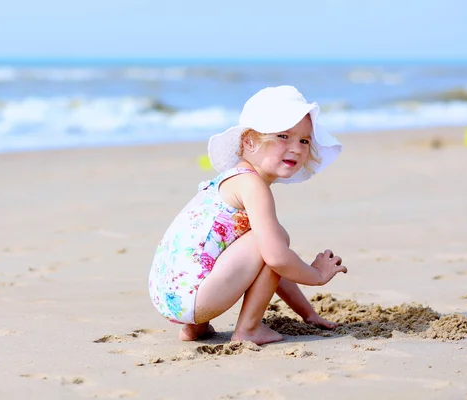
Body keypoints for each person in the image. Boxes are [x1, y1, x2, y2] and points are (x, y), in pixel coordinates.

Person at [148, 85, 347, 345]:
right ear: (249, 141)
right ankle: (249, 329)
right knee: (275, 240)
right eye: (283, 136)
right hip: (194, 298)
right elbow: (276, 259)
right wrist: (316, 275)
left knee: (265, 241)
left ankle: (195, 328)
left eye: (304, 140)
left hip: (168, 294)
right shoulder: (253, 186)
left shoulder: (229, 181)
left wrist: (307, 313)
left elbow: (270, 265)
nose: (296, 148)